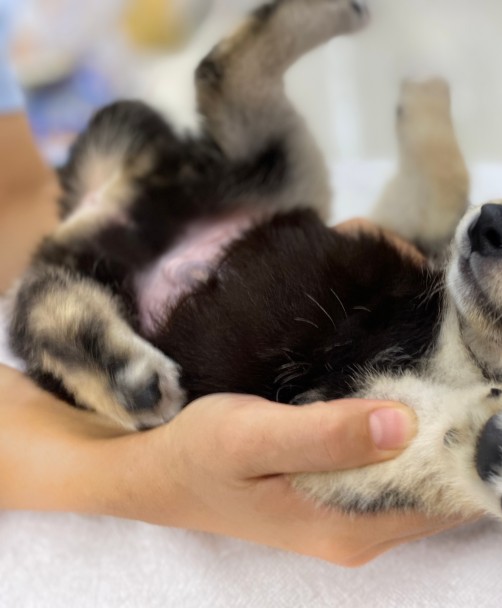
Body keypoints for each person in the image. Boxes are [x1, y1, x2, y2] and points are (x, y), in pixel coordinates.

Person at [0, 9, 462, 567]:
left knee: (45, 304)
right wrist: (148, 473)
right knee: (288, 180)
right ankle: (243, 82)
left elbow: (17, 195)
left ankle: (109, 357)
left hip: (164, 244)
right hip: (192, 249)